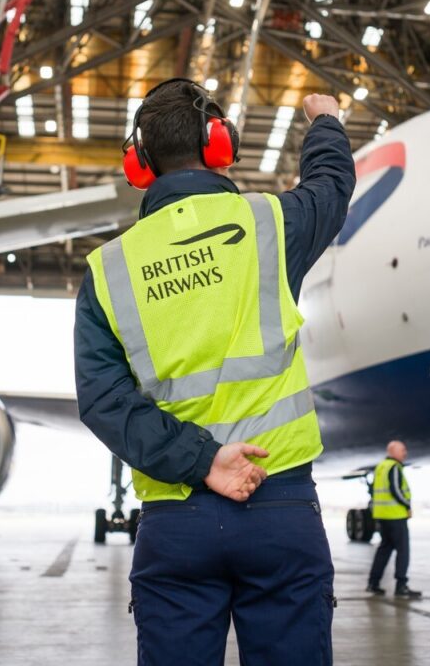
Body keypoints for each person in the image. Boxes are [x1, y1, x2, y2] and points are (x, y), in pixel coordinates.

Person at [74, 78, 354, 666]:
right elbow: (330, 186)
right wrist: (324, 121)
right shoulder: (271, 225)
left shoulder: (107, 271)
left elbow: (104, 403)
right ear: (218, 144)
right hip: (277, 505)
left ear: (138, 162)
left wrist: (202, 461)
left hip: (177, 520)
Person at [366, 440, 422, 598]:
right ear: (393, 451)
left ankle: (373, 583)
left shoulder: (380, 467)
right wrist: (407, 506)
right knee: (403, 551)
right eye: (402, 450)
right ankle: (401, 585)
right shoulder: (394, 467)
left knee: (384, 549)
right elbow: (396, 490)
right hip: (396, 515)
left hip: (382, 515)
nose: (405, 453)